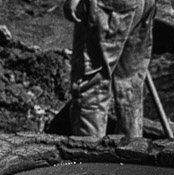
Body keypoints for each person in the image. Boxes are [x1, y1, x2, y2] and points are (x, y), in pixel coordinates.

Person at [65, 0, 157, 139]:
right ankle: (130, 149)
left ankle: (89, 150)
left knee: (93, 88)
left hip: (110, 6)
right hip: (144, 5)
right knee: (130, 85)